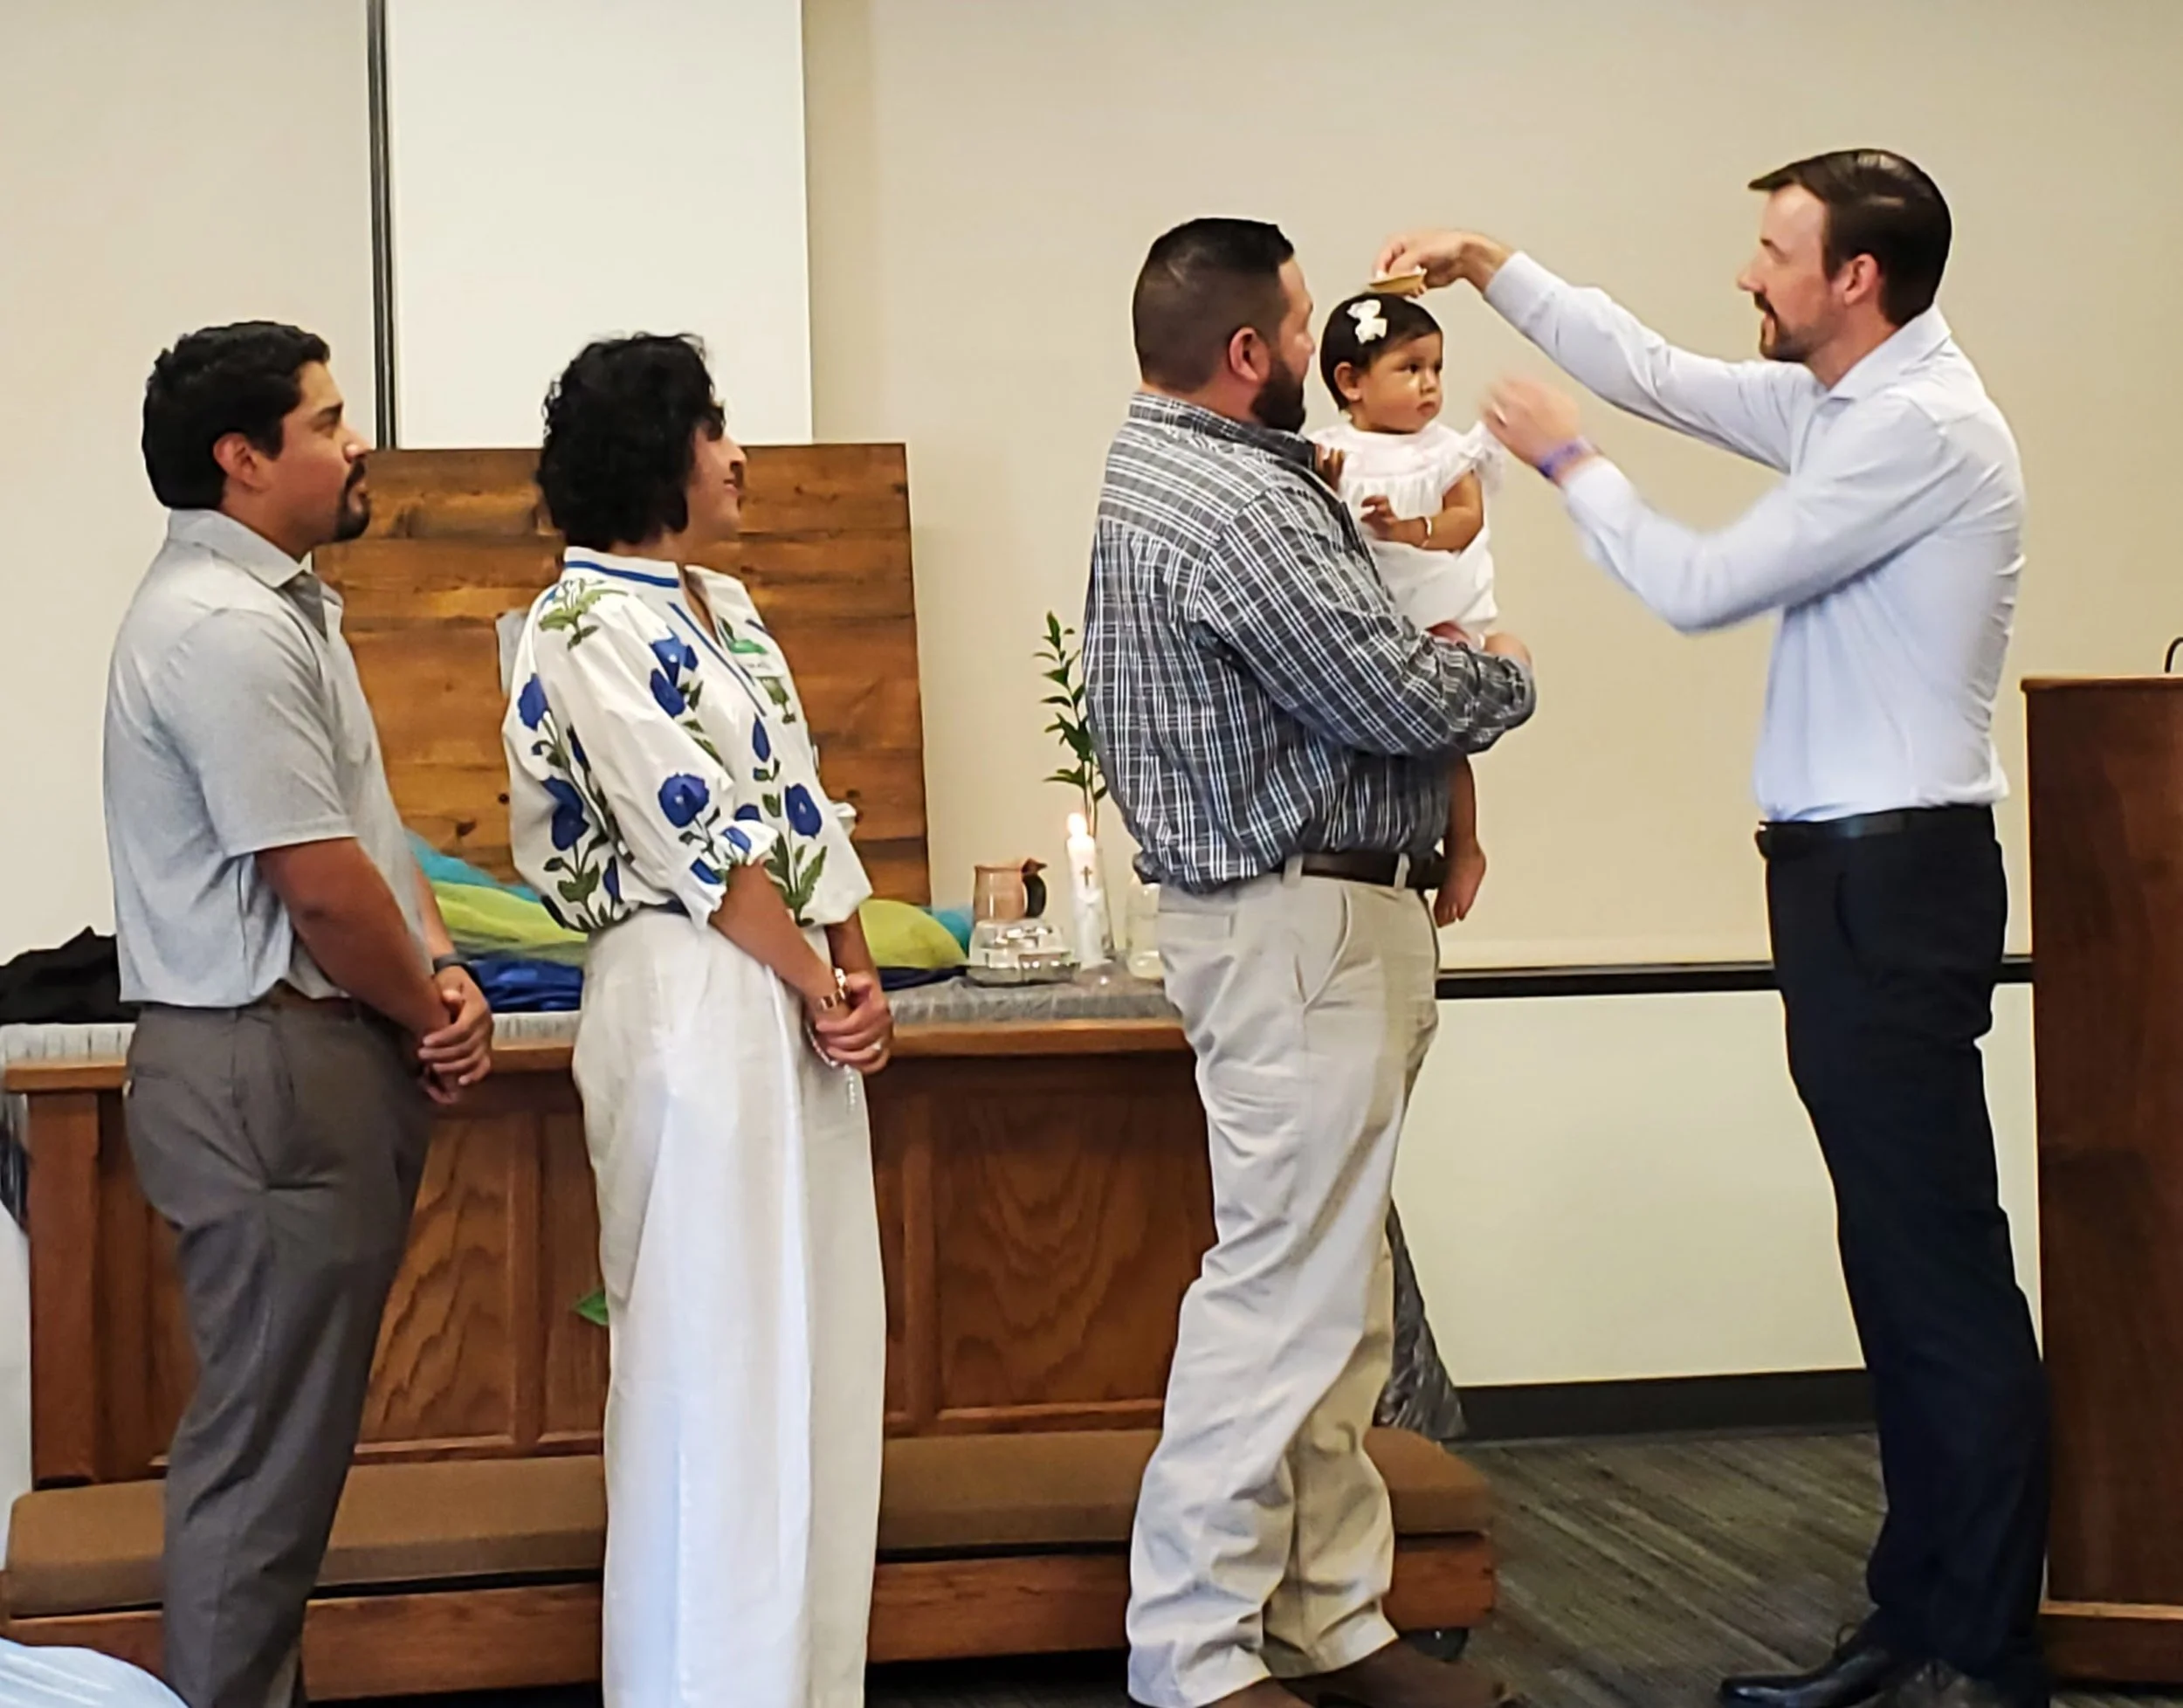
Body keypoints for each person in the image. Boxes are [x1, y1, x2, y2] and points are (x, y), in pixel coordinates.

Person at [1379, 148, 2046, 1708]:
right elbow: (1660, 370)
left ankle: (1982, 1651)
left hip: (1895, 878)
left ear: (1856, 279)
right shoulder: (1845, 403)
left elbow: (1697, 583)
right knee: (1895, 1263)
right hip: (1846, 878)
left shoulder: (1922, 432)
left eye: (1774, 251)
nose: (1748, 272)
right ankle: (1916, 1617)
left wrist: (1567, 462)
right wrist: (1493, 265)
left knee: (1937, 1274)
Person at [1085, 217, 1536, 1708]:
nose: (1317, 343)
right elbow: (1394, 691)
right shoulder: (1238, 502)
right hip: (1299, 921)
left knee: (1338, 1300)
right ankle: (1193, 1649)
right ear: (1248, 353)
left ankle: (1331, 1615)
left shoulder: (1184, 468)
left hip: (1305, 920)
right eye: (1298, 325)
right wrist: (1507, 671)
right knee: (1282, 1298)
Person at [106, 322, 495, 1708]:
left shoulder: (281, 609)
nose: (359, 442)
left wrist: (441, 969)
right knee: (264, 1464)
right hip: (263, 1057)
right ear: (243, 457)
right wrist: (429, 1009)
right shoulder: (221, 630)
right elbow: (318, 884)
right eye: (327, 422)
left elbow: (370, 836)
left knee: (288, 1453)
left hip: (304, 1049)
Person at [501, 334, 892, 1708]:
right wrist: (815, 980)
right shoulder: (579, 626)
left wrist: (854, 970)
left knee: (819, 1347)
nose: (737, 456)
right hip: (689, 990)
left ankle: (807, 1677)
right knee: (714, 1354)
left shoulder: (723, 604)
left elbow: (801, 804)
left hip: (787, 986)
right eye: (715, 430)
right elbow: (699, 839)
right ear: (657, 455)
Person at [1311, 290, 1514, 927]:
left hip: (1433, 608)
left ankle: (1465, 845)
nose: (1429, 384)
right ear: (1351, 382)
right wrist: (1326, 488)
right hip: (1365, 617)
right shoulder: (1325, 451)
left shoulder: (1446, 451)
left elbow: (1465, 519)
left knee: (1442, 738)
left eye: (1436, 368)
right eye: (1410, 368)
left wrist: (1410, 530)